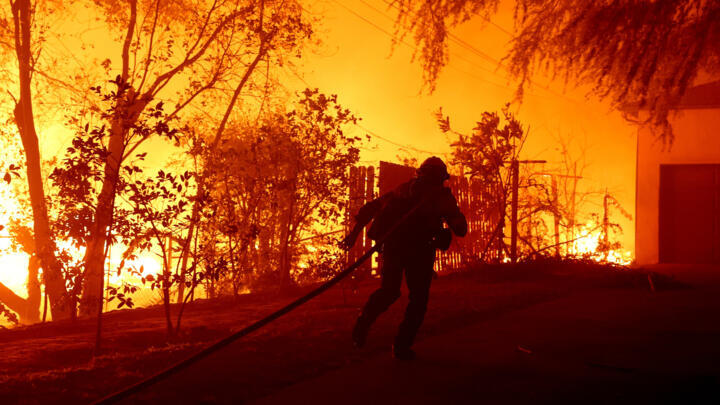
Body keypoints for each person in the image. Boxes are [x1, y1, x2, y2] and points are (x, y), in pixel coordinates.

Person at [341, 156, 467, 360]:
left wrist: (354, 234)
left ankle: (364, 322)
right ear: (441, 177)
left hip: (396, 248)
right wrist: (450, 224)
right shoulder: (441, 197)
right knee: (418, 299)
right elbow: (460, 228)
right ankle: (401, 346)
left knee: (390, 291)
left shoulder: (404, 190)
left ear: (421, 173)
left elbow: (371, 208)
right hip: (420, 252)